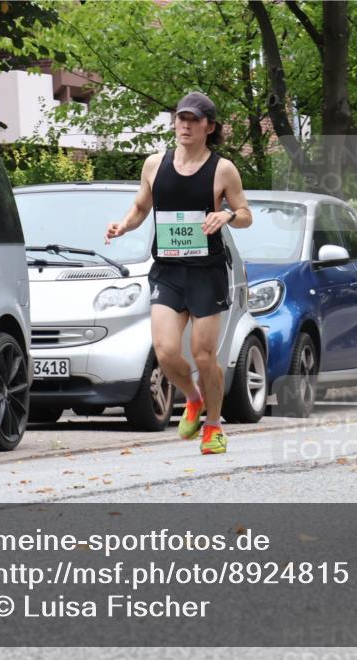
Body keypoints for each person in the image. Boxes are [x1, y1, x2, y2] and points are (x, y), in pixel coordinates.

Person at [105, 91, 252, 453]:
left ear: (209, 127)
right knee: (166, 350)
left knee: (204, 355)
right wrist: (124, 225)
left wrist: (227, 215)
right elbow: (141, 206)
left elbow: (246, 213)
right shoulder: (155, 164)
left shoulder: (223, 169)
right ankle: (193, 398)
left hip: (206, 272)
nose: (185, 125)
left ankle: (214, 427)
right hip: (168, 270)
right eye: (180, 118)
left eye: (194, 120)